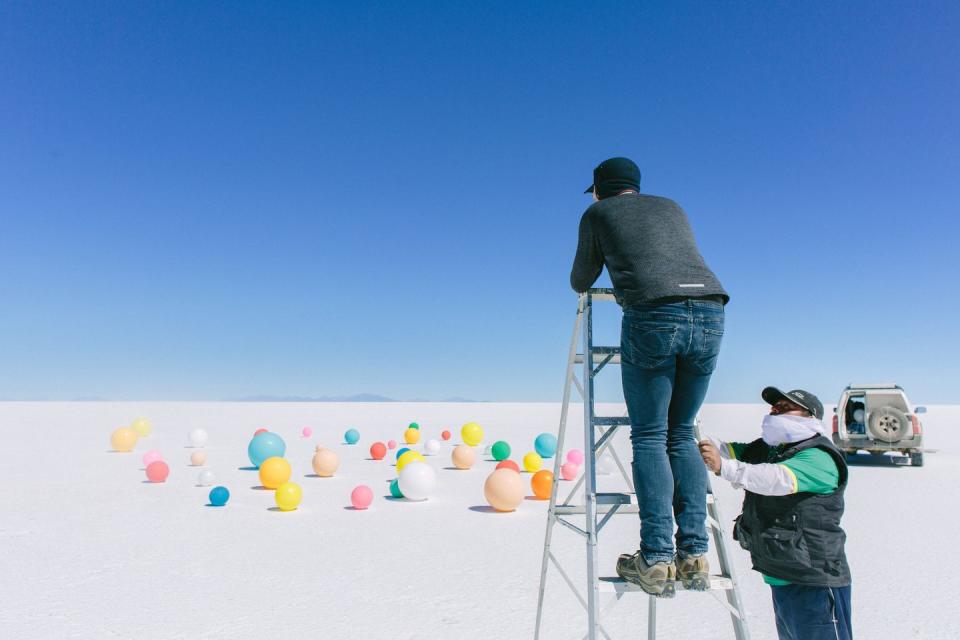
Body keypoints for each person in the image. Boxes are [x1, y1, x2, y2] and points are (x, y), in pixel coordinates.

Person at [570, 157, 729, 597]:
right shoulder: (673, 207)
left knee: (649, 435)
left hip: (655, 313)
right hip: (712, 309)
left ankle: (657, 558)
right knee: (681, 431)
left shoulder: (598, 213)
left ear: (600, 189)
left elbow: (580, 278)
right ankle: (695, 555)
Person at [698, 387, 853, 640]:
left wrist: (725, 468)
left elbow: (777, 479)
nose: (775, 412)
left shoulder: (819, 456)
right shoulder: (769, 449)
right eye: (774, 407)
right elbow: (728, 450)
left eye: (784, 408)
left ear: (809, 415)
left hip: (814, 579)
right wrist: (693, 436)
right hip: (782, 574)